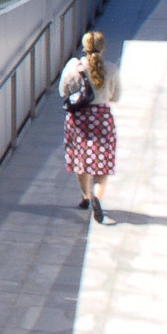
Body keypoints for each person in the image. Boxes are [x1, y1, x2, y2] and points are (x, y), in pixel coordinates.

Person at [59, 30, 120, 222]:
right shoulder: (111, 69)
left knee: (81, 158)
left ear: (84, 47)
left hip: (79, 119)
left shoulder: (73, 68)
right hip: (101, 118)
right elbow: (115, 96)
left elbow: (63, 92)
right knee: (102, 164)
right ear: (103, 48)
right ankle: (97, 198)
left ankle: (85, 197)